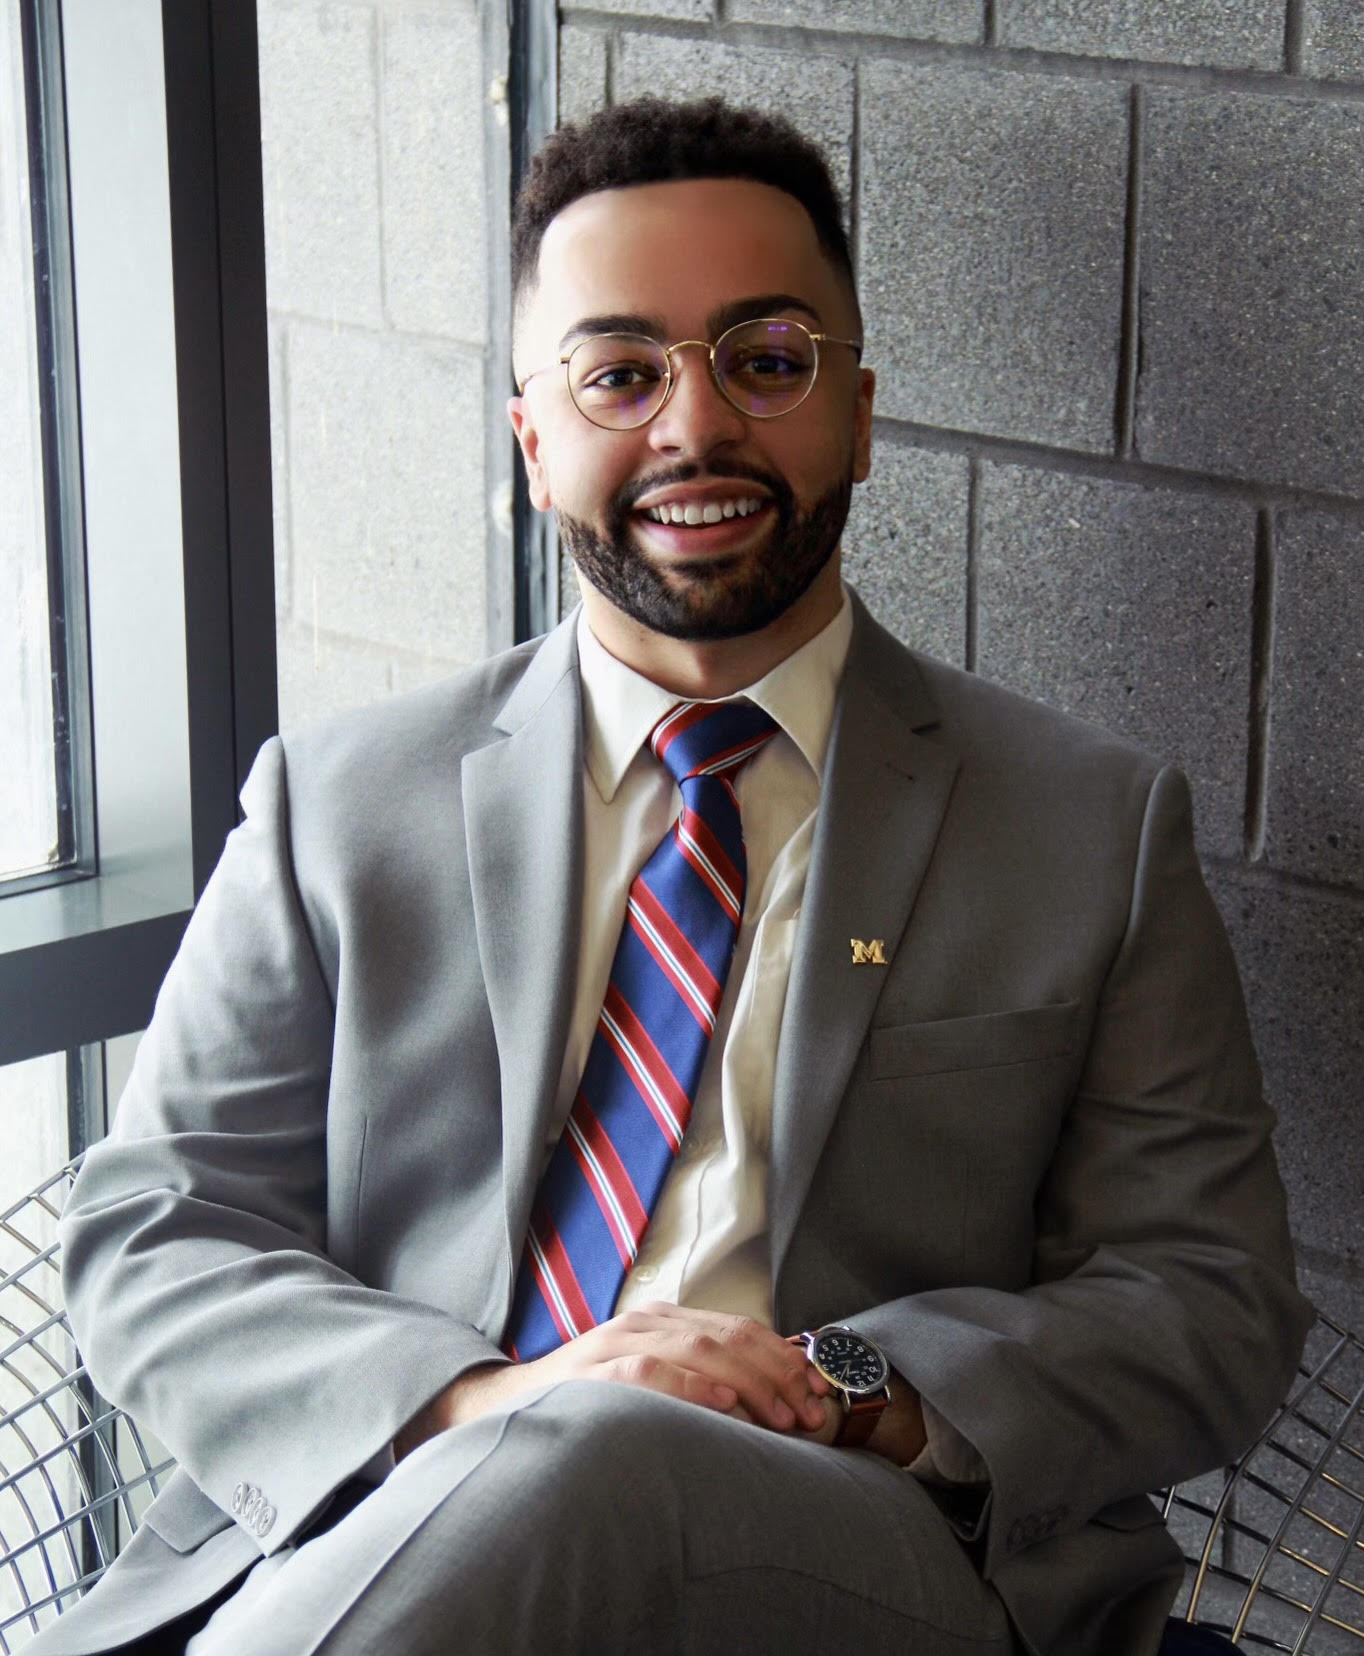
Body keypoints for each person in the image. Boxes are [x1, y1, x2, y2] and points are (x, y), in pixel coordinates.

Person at [36, 97, 1311, 1656]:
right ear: (531, 438)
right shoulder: (342, 804)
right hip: (400, 1516)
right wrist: (497, 1398)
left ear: (856, 411)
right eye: (620, 372)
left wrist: (852, 1384)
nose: (694, 430)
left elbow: (1212, 1296)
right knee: (575, 1447)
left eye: (766, 362)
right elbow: (156, 1222)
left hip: (864, 1555)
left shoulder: (1085, 828)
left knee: (615, 1458)